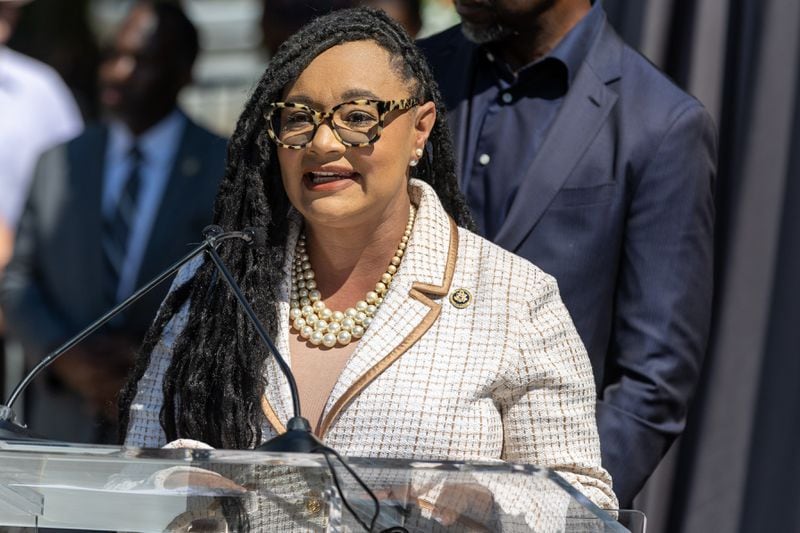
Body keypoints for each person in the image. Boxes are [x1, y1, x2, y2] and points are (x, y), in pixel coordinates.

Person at [119, 6, 617, 517]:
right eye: (298, 119)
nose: (323, 143)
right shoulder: (213, 283)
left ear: (420, 130)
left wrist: (481, 506)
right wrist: (179, 480)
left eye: (358, 118)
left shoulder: (514, 298)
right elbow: (135, 474)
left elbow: (584, 503)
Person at [417, 0, 717, 506]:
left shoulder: (662, 123)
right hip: (378, 486)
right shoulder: (406, 75)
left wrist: (551, 509)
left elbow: (653, 380)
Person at [0, 0, 227, 443]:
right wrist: (66, 358)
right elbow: (19, 280)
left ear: (184, 71)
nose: (118, 72)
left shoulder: (221, 166)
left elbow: (230, 290)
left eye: (141, 60)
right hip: (63, 424)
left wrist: (148, 356)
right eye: (112, 56)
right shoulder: (61, 161)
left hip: (167, 427)